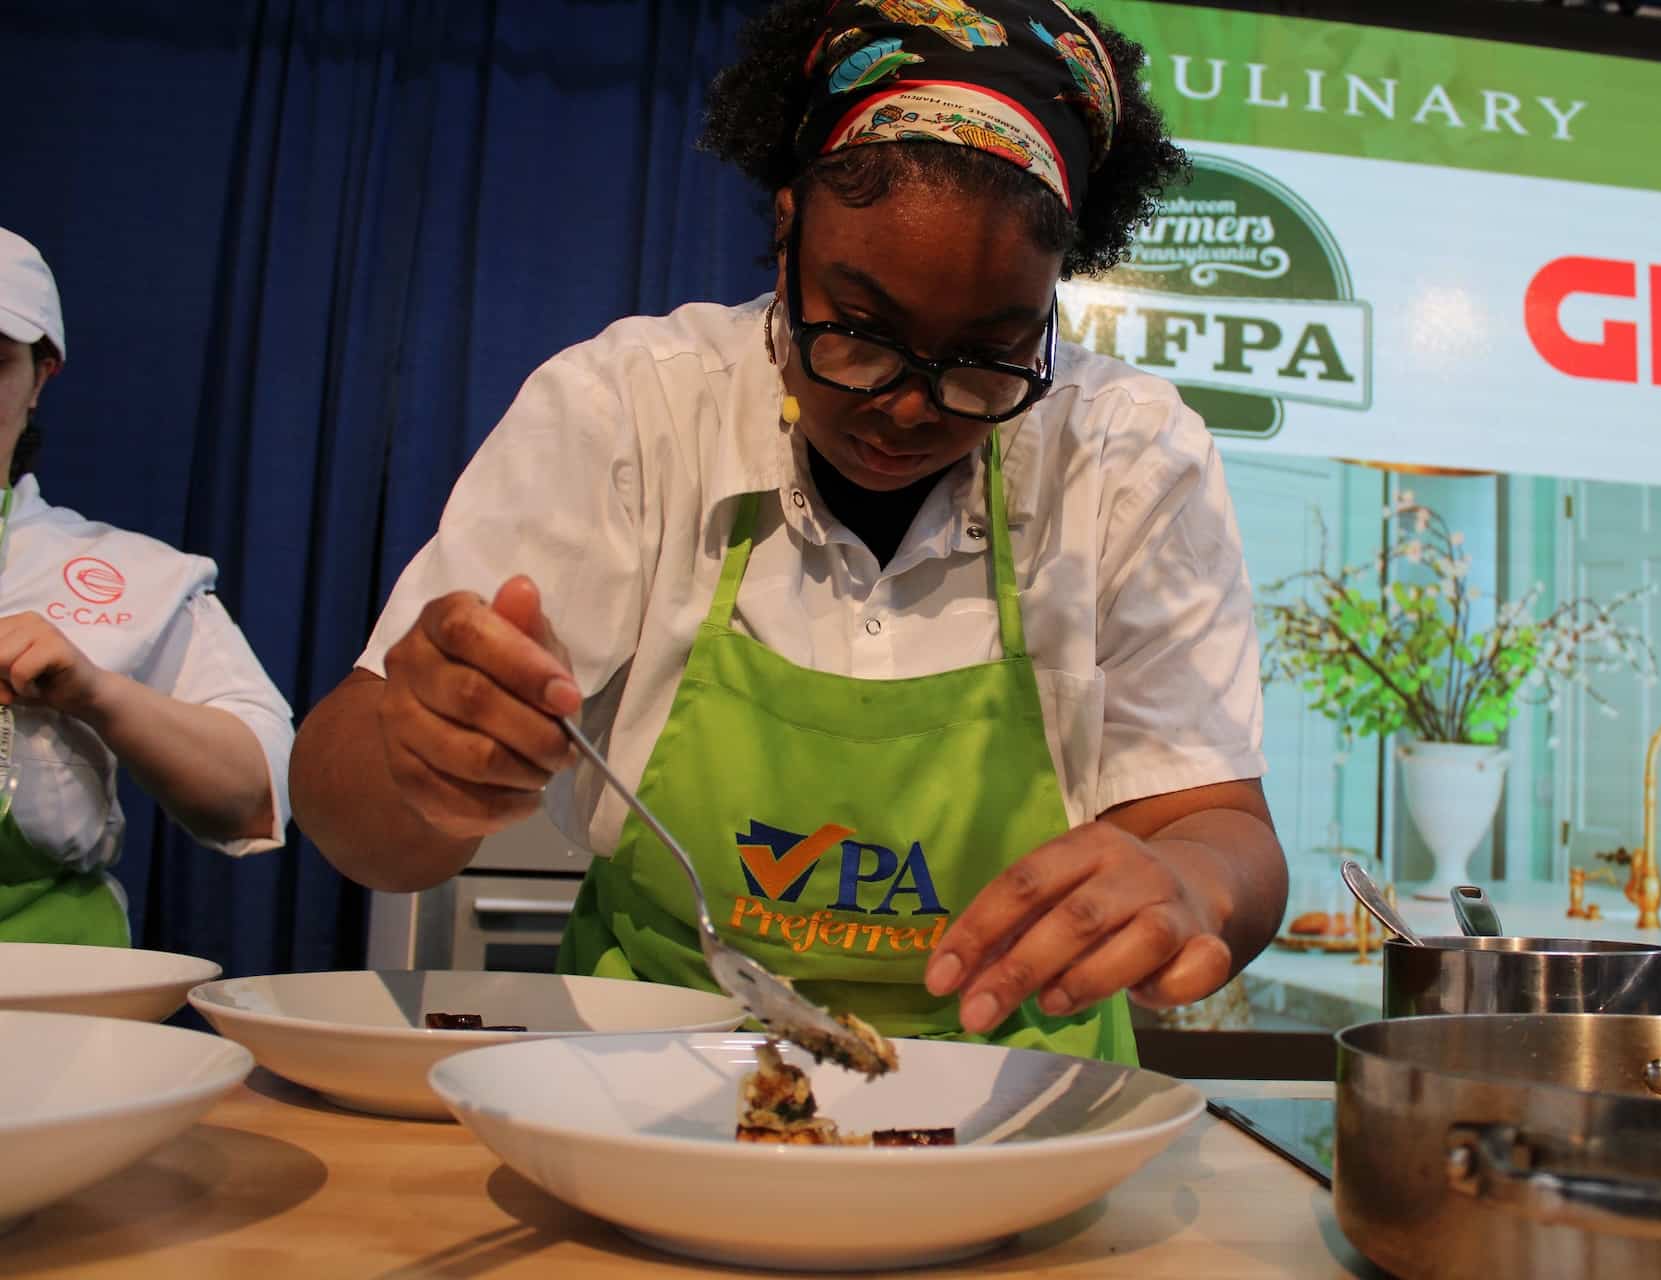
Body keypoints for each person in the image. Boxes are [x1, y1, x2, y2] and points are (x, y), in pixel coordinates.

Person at [291, 0, 1288, 1063]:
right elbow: (348, 804)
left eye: (987, 357)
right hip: (655, 1073)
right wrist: (418, 761)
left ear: (1048, 311)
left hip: (1019, 1103)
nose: (910, 407)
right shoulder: (633, 412)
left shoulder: (1125, 458)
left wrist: (1196, 882)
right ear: (784, 236)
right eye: (859, 332)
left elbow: (1226, 829)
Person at [0, 228, 294, 946]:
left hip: (50, 1004)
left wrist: (96, 693)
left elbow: (259, 791)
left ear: (42, 378)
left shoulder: (123, 575)